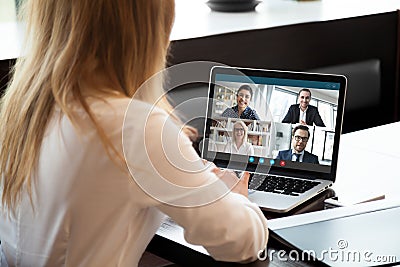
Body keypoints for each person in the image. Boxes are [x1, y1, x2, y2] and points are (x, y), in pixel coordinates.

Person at [0, 1, 268, 266]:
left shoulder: (21, 111)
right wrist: (232, 196)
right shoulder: (135, 128)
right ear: (148, 29)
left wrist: (186, 176)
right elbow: (241, 241)